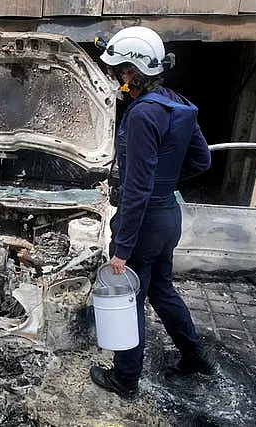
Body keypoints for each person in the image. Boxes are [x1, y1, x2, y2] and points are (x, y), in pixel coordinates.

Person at [90, 26, 215, 399]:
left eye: (120, 72)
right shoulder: (180, 105)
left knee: (131, 301)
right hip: (168, 216)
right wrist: (168, 182)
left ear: (134, 71)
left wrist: (122, 248)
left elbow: (137, 188)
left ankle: (125, 379)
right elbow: (202, 160)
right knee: (162, 290)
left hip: (143, 224)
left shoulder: (144, 114)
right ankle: (194, 356)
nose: (118, 79)